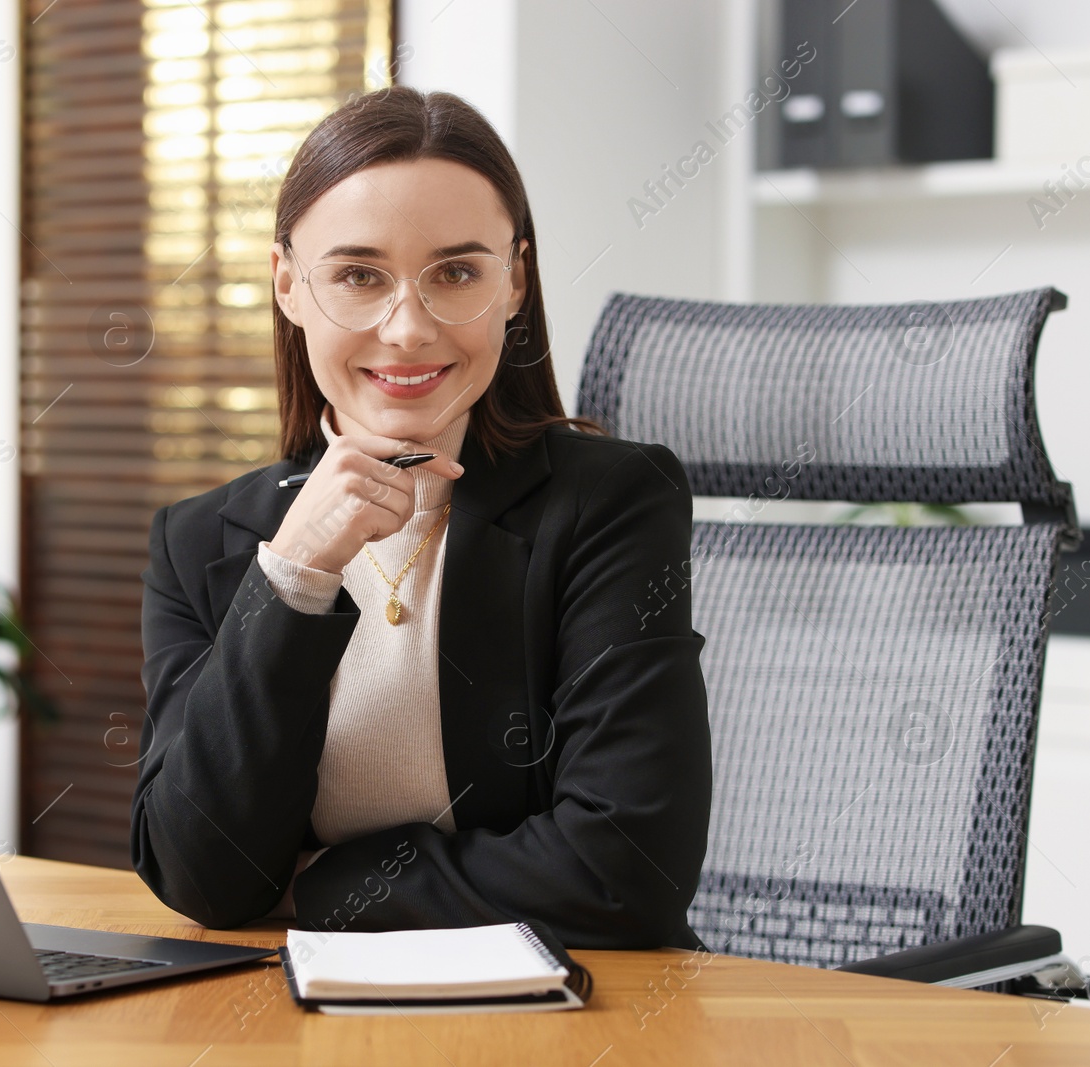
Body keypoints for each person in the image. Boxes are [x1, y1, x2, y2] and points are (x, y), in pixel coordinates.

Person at [131, 86, 711, 949]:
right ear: (289, 285)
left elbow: (628, 869)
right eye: (359, 275)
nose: (408, 326)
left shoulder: (611, 504)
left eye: (456, 272)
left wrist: (325, 886)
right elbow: (200, 872)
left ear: (514, 280)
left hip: (571, 1016)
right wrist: (293, 575)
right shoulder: (200, 543)